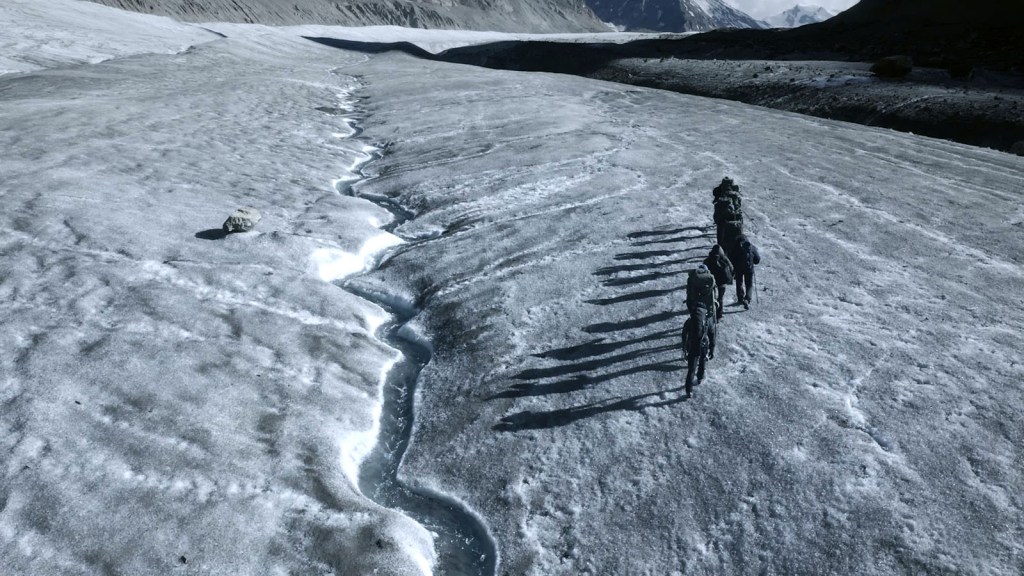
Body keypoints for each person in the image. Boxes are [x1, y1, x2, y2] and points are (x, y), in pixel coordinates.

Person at [682, 305, 716, 398]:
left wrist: (684, 348)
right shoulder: (707, 320)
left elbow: (684, 334)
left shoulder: (690, 321)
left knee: (691, 369)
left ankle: (689, 390)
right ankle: (700, 377)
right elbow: (712, 335)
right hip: (703, 346)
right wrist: (712, 349)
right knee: (702, 361)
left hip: (692, 346)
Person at [729, 235, 761, 310]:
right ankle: (747, 298)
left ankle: (740, 298)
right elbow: (757, 260)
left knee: (739, 283)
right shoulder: (752, 247)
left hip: (739, 268)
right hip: (749, 269)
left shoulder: (737, 248)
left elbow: (732, 258)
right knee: (749, 284)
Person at [703, 245, 733, 321]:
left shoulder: (708, 260)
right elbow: (731, 268)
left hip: (711, 282)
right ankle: (719, 315)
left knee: (710, 297)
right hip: (722, 282)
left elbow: (703, 270)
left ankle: (710, 313)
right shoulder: (724, 259)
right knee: (720, 298)